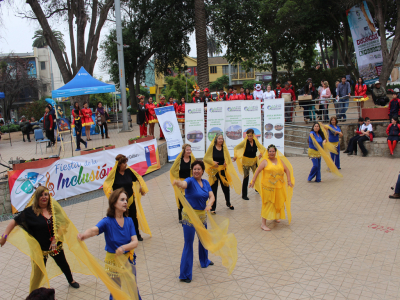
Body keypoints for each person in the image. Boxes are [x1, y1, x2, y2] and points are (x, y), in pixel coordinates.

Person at [0, 186, 80, 291]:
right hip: (40, 250)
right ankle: (33, 292)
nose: (44, 197)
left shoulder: (54, 209)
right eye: (41, 195)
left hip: (55, 246)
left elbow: (63, 224)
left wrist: (56, 238)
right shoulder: (30, 212)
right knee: (38, 273)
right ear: (37, 197)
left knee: (63, 264)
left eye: (46, 195)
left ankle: (71, 280)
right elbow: (14, 221)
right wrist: (4, 236)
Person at [78, 188, 141, 300]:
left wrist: (123, 248)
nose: (125, 202)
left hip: (128, 260)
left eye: (126, 200)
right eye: (122, 199)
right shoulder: (107, 221)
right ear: (114, 202)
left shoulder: (129, 221)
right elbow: (94, 230)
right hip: (112, 262)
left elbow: (135, 242)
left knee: (133, 289)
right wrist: (84, 235)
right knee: (115, 292)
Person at [172, 160, 215, 283]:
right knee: (188, 243)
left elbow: (212, 196)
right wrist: (178, 183)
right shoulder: (190, 181)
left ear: (202, 171)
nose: (196, 171)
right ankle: (185, 274)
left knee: (203, 241)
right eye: (194, 169)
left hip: (201, 216)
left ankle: (204, 261)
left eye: (198, 169)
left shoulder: (206, 183)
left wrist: (210, 204)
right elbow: (183, 184)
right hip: (189, 217)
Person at [103, 154, 150, 242]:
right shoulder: (114, 175)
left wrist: (140, 186)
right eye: (124, 163)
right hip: (119, 202)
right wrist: (111, 192)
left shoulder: (129, 172)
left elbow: (138, 178)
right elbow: (106, 184)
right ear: (119, 164)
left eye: (126, 162)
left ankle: (136, 234)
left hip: (131, 199)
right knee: (122, 218)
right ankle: (124, 236)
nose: (126, 164)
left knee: (133, 217)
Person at [249, 144, 294, 231]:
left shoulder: (280, 160)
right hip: (268, 187)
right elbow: (257, 171)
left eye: (273, 151)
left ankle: (275, 216)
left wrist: (289, 181)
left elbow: (287, 170)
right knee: (268, 203)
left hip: (279, 187)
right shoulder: (265, 161)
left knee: (278, 202)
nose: (272, 153)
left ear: (275, 152)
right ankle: (263, 224)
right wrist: (253, 181)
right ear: (268, 152)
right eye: (270, 151)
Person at [203, 134, 241, 213]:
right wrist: (213, 162)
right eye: (219, 139)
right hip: (214, 171)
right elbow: (206, 158)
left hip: (223, 170)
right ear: (216, 139)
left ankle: (228, 202)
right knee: (214, 189)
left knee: (226, 187)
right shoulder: (212, 148)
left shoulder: (224, 148)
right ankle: (212, 208)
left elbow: (227, 158)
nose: (221, 140)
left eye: (222, 139)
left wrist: (225, 162)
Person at [232, 129, 265, 200]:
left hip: (254, 161)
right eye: (248, 136)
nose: (250, 137)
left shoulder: (255, 141)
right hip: (246, 162)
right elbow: (236, 148)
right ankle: (244, 195)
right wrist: (235, 156)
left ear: (253, 135)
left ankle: (257, 188)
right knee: (246, 178)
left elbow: (262, 148)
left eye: (251, 136)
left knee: (257, 175)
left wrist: (261, 153)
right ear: (247, 136)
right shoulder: (245, 142)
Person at [170, 144, 196, 222]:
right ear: (184, 151)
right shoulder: (180, 159)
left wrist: (193, 178)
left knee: (189, 199)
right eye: (187, 150)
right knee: (181, 199)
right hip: (181, 182)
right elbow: (172, 170)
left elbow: (196, 169)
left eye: (190, 150)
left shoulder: (192, 159)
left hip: (189, 181)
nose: (189, 151)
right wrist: (178, 180)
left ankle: (189, 215)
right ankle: (180, 217)